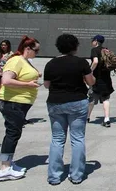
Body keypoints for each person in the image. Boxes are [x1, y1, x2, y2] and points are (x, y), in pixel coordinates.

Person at [43, 34, 96, 185]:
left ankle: (54, 176)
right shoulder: (81, 62)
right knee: (77, 138)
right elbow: (90, 81)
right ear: (75, 46)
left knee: (57, 139)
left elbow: (47, 85)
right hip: (77, 102)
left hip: (55, 102)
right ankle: (76, 175)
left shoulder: (51, 64)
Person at [0, 36, 41, 182]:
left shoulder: (24, 60)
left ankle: (8, 163)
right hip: (12, 102)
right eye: (36, 50)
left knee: (14, 132)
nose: (37, 53)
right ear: (27, 49)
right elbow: (6, 80)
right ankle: (5, 169)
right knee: (12, 133)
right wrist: (28, 84)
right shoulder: (16, 60)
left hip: (18, 103)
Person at [87, 35, 116, 127]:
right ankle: (107, 119)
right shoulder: (106, 50)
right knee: (106, 99)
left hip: (96, 78)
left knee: (92, 98)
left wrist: (90, 70)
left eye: (93, 40)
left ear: (96, 41)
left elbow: (96, 61)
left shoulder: (94, 50)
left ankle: (87, 117)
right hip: (106, 79)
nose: (92, 42)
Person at [0, 40, 13, 113]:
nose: (3, 46)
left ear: (8, 46)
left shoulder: (11, 55)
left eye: (5, 45)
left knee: (1, 90)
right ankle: (3, 102)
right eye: (2, 45)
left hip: (4, 74)